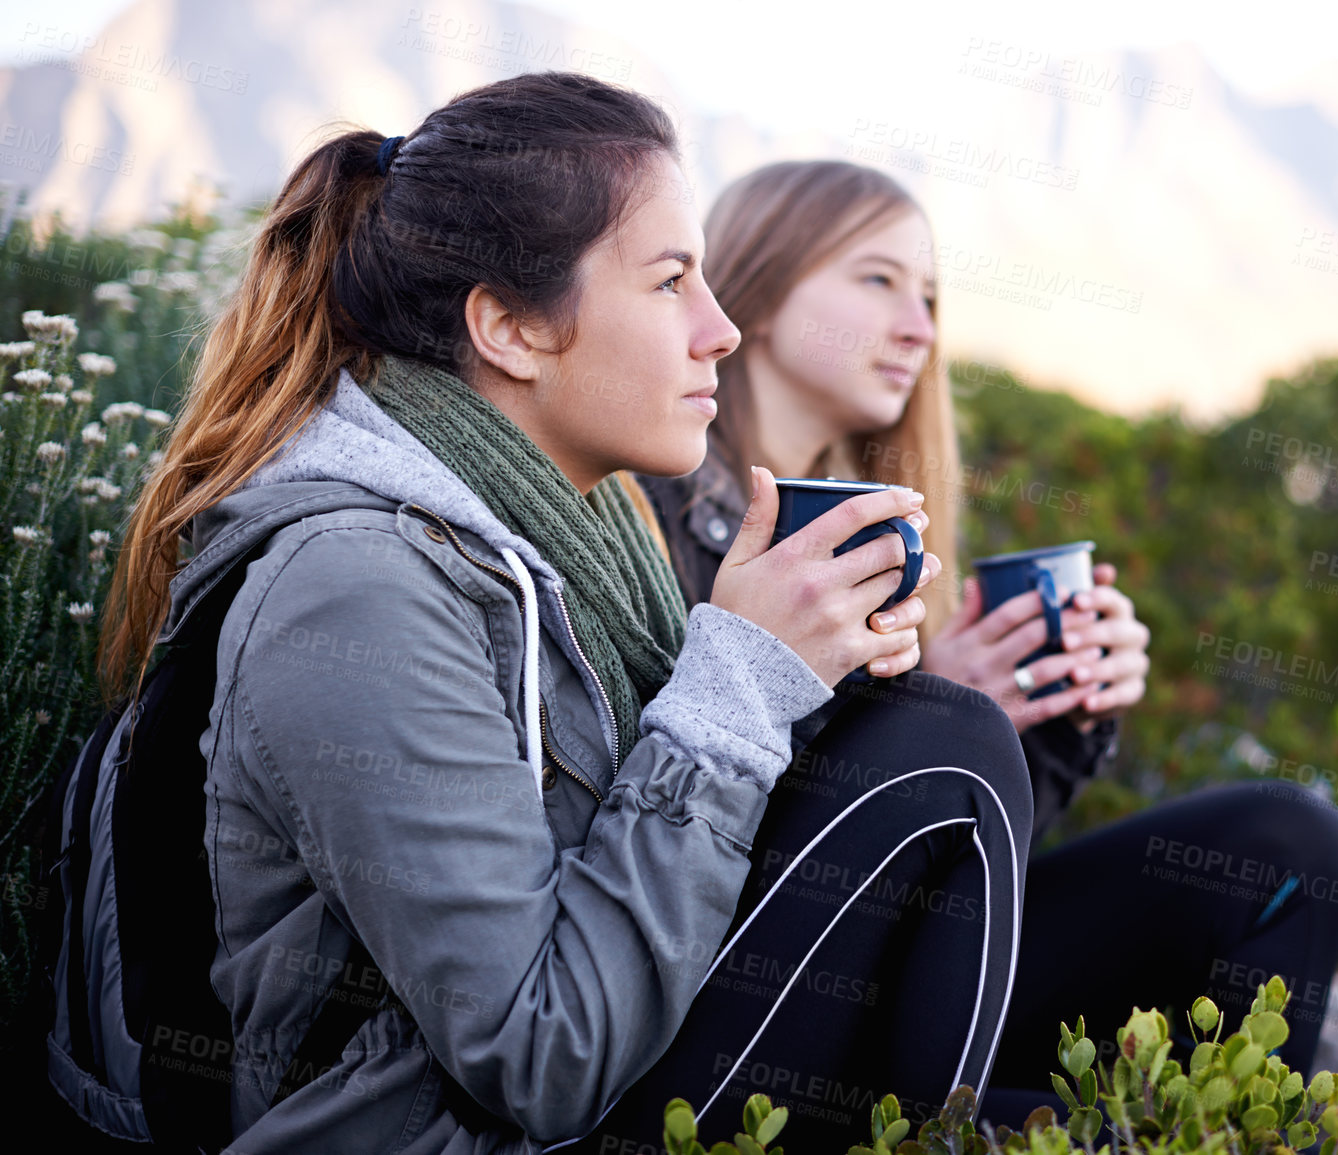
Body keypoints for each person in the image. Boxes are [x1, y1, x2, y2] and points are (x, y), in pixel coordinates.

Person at [99, 77, 1032, 1155]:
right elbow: (542, 1057)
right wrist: (741, 683)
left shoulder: (584, 539)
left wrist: (814, 688)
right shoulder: (355, 585)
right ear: (508, 328)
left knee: (1232, 824)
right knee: (943, 753)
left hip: (580, 1068)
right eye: (672, 282)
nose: (718, 331)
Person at [637, 161, 1338, 1118]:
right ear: (757, 290)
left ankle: (1241, 1129)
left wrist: (1045, 717)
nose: (920, 328)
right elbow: (663, 830)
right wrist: (930, 713)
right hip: (765, 1005)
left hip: (917, 984)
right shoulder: (649, 506)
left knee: (1289, 836)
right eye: (878, 279)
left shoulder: (883, 525)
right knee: (1056, 1127)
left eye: (930, 295)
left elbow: (968, 877)